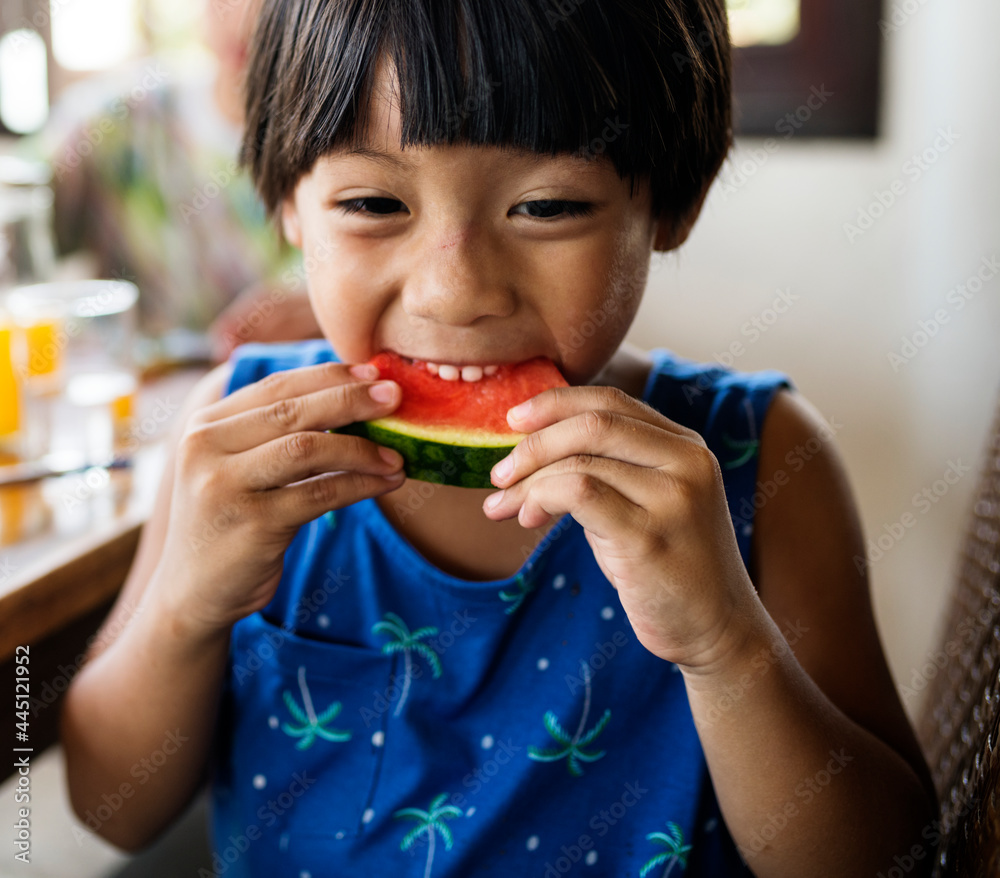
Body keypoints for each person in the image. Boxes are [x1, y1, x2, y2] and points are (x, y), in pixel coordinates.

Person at [59, 1, 937, 875]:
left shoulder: (759, 460)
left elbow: (889, 858)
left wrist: (725, 645)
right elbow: (111, 808)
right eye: (372, 202)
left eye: (547, 206)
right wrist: (185, 608)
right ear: (288, 202)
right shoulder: (240, 446)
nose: (455, 290)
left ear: (673, 203)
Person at [35, 0, 320, 362]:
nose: (249, 17)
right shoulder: (115, 126)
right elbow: (16, 223)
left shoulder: (359, 145)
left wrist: (335, 305)